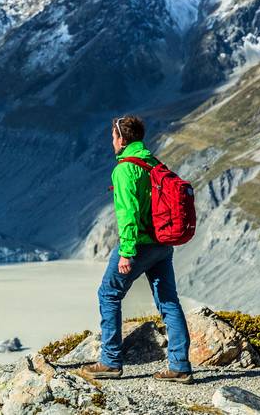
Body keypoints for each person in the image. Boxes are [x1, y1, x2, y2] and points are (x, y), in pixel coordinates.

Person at [77, 115, 193, 383]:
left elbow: (128, 214)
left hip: (138, 243)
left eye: (113, 137)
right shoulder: (152, 162)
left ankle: (110, 361)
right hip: (163, 243)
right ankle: (179, 365)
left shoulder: (125, 169)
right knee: (168, 301)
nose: (111, 141)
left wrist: (127, 252)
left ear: (121, 138)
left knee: (108, 294)